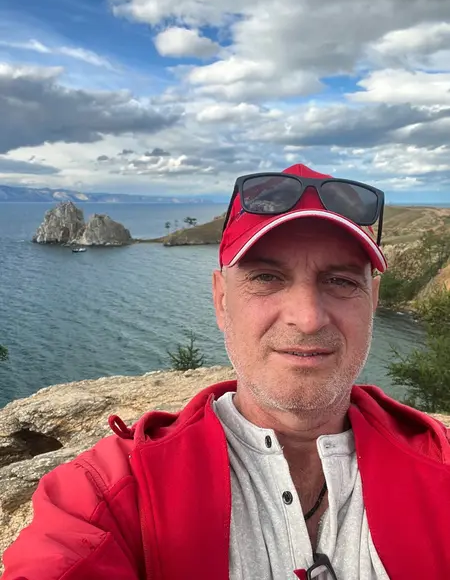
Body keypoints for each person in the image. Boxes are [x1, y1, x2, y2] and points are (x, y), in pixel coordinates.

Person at [3, 163, 450, 580]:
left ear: (372, 301)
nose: (308, 318)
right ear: (221, 300)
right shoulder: (111, 492)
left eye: (341, 281)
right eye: (266, 278)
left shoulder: (440, 468)